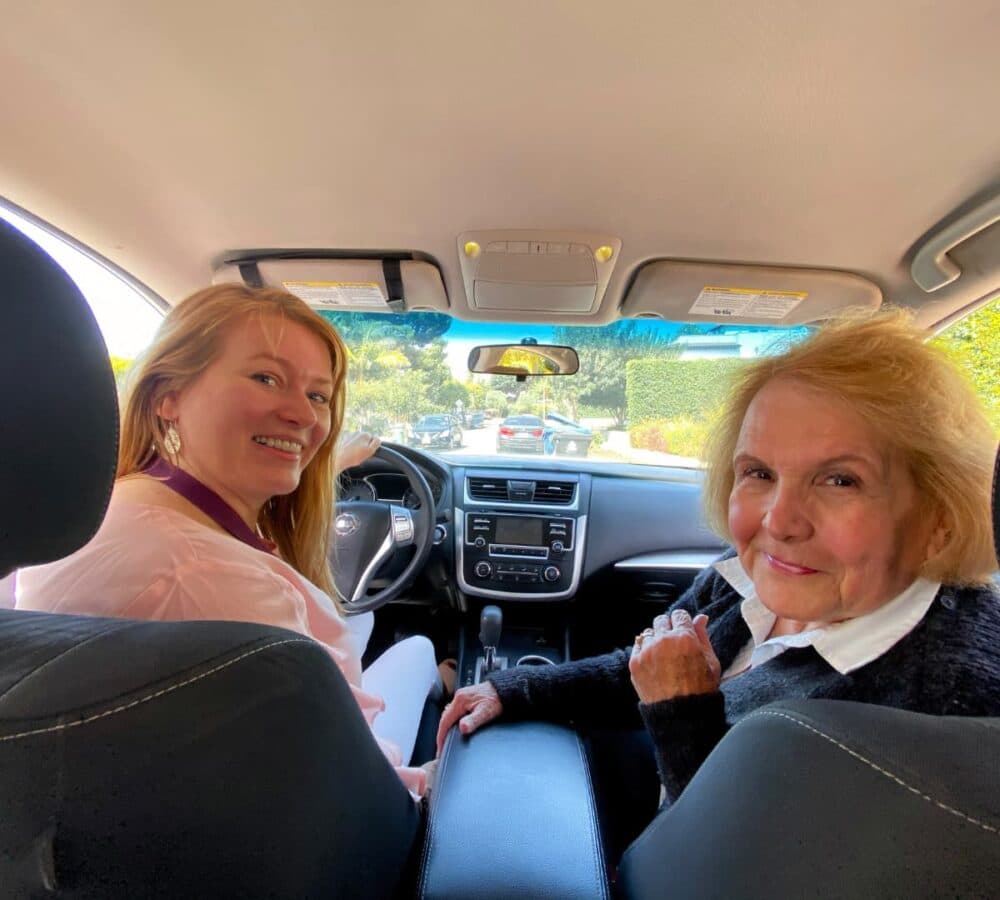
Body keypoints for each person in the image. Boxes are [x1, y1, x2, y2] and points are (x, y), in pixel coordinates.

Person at [438, 310, 1000, 810]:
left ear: (940, 516)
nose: (778, 522)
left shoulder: (955, 705)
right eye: (758, 472)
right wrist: (514, 690)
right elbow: (642, 666)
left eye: (840, 480)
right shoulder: (750, 576)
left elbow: (743, 862)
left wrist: (681, 709)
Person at [17, 284, 439, 796]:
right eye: (266, 378)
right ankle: (446, 677)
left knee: (364, 615)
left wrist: (332, 464)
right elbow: (363, 783)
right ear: (168, 397)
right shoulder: (211, 576)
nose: (305, 418)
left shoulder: (116, 502)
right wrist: (437, 781)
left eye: (317, 396)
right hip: (331, 800)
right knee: (416, 649)